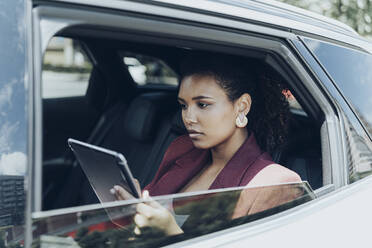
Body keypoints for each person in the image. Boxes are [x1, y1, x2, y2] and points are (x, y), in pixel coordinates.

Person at [111, 53, 301, 236]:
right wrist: (133, 207)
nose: (188, 118)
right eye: (184, 106)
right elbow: (145, 222)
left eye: (202, 104)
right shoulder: (182, 149)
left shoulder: (274, 183)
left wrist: (173, 234)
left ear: (241, 106)